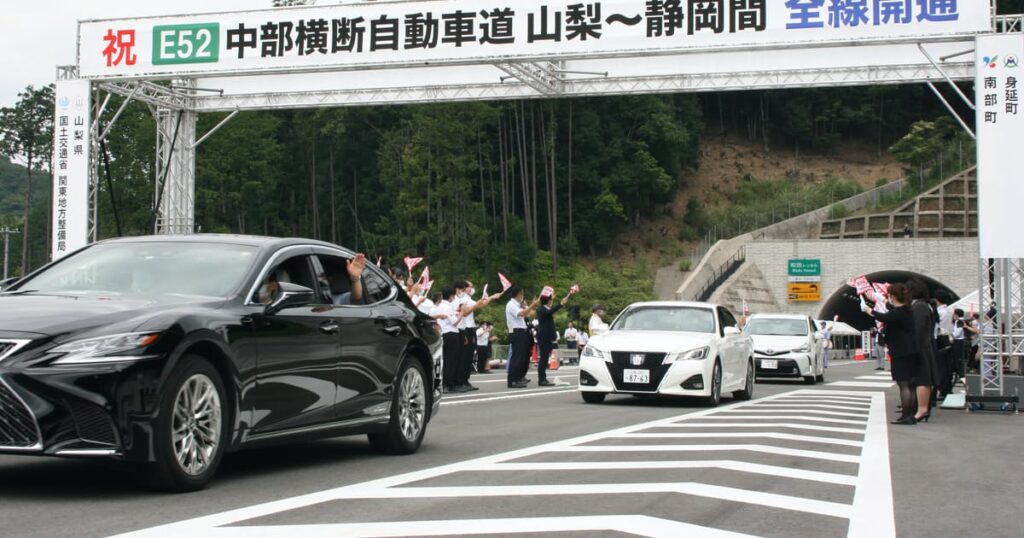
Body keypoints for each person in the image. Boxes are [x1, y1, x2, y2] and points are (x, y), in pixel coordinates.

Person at [864, 283, 922, 425]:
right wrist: (882, 301)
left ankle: (906, 415)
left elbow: (886, 317)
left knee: (904, 384)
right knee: (911, 384)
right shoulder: (908, 310)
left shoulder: (898, 312)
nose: (888, 297)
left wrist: (868, 310)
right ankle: (911, 414)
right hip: (912, 350)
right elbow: (892, 311)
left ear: (893, 296)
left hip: (900, 351)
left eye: (889, 295)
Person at [907, 278, 938, 422]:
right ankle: (922, 408)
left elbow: (918, 330)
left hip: (921, 347)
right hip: (925, 346)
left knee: (922, 379)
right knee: (923, 378)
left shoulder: (919, 307)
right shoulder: (925, 305)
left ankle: (922, 409)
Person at [535, 287, 578, 386]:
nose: (551, 301)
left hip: (546, 337)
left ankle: (543, 378)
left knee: (545, 358)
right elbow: (550, 311)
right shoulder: (541, 310)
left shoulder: (543, 308)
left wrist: (553, 299)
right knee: (544, 358)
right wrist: (561, 304)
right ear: (548, 301)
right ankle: (542, 379)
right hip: (544, 337)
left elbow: (549, 309)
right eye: (550, 299)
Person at [505, 285, 539, 389]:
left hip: (522, 332)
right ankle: (512, 380)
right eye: (522, 294)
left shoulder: (517, 304)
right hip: (516, 332)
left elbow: (527, 313)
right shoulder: (511, 304)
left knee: (521, 357)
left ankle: (518, 377)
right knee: (517, 357)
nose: (522, 296)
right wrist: (532, 305)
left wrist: (532, 306)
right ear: (518, 294)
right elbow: (522, 313)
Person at [430, 287, 463, 393]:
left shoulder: (440, 305)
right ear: (451, 296)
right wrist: (462, 313)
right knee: (451, 360)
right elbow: (454, 322)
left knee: (447, 359)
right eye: (454, 295)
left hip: (444, 333)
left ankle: (445, 384)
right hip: (451, 334)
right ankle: (448, 384)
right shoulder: (447, 306)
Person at [951, 308, 967, 387]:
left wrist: (951, 334)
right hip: (961, 341)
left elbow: (957, 333)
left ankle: (960, 375)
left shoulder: (958, 321)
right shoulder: (962, 321)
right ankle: (960, 374)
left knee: (958, 359)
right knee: (960, 359)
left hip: (958, 341)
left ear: (957, 314)